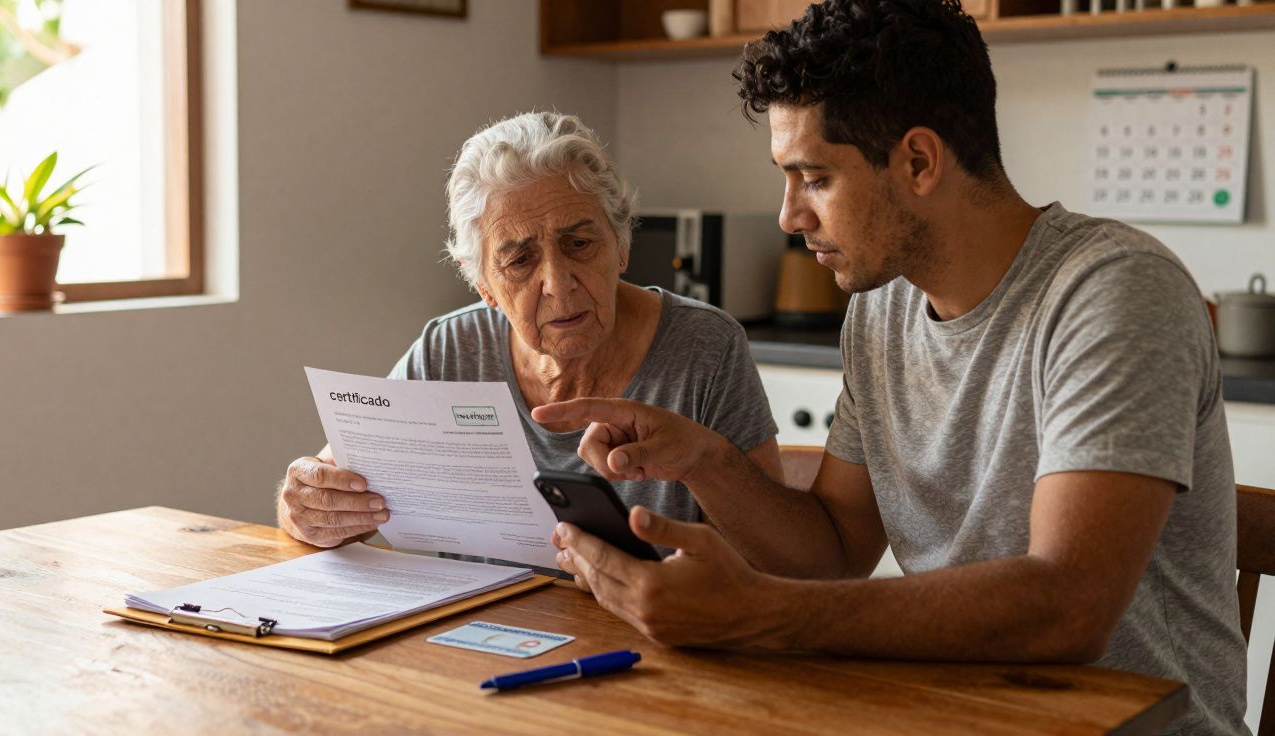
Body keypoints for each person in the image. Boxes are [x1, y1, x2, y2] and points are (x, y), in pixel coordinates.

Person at [534, 2, 1248, 733]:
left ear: (918, 161)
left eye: (812, 177)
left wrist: (758, 612)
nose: (788, 215)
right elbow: (835, 551)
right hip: (949, 715)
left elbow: (1067, 608)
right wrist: (704, 458)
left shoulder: (1115, 293)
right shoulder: (883, 309)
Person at [276, 111, 781, 554]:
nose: (558, 286)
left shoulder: (705, 348)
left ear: (621, 245)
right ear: (484, 287)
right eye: (519, 260)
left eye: (580, 244)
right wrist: (307, 507)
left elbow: (772, 552)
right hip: (485, 639)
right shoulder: (449, 351)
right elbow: (330, 500)